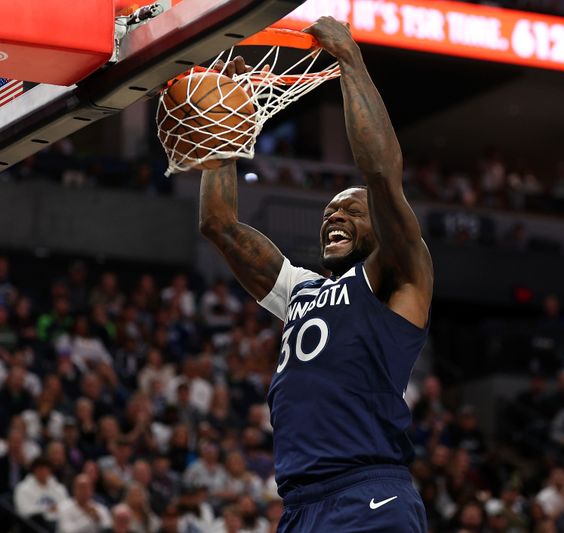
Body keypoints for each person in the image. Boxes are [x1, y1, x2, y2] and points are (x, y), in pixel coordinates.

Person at [197, 16, 432, 532]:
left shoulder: (397, 274)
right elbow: (218, 224)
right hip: (302, 506)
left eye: (350, 210)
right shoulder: (302, 289)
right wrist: (224, 124)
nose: (334, 217)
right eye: (328, 213)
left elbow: (381, 176)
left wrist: (349, 59)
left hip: (368, 492)